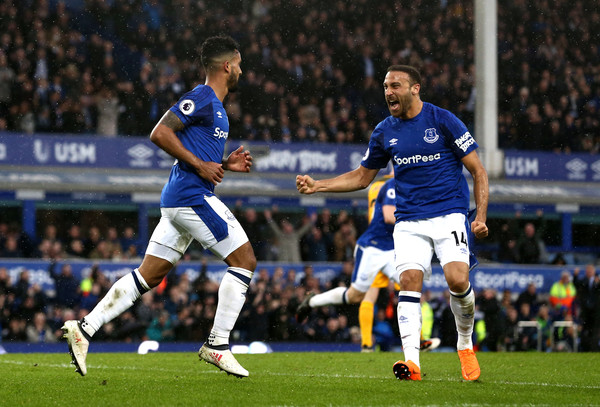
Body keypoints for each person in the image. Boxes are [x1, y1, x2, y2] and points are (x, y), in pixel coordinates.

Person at [62, 35, 256, 378]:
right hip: (191, 197)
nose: (242, 70)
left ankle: (84, 328)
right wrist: (201, 165)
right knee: (245, 261)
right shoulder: (202, 97)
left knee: (147, 275)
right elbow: (160, 133)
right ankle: (218, 344)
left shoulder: (216, 107)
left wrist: (224, 163)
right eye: (239, 64)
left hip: (181, 198)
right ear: (227, 66)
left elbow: (199, 155)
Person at [296, 65, 489, 381]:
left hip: (449, 213)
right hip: (409, 220)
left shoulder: (443, 120)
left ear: (415, 88)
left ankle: (465, 345)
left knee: (457, 280)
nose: (388, 92)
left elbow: (478, 171)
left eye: (395, 85)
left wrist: (479, 217)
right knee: (409, 281)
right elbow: (362, 177)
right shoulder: (385, 131)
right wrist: (319, 185)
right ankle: (412, 363)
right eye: (385, 86)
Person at [296, 175, 398, 352]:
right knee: (355, 296)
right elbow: (388, 215)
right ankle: (313, 301)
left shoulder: (406, 183)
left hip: (393, 248)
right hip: (374, 247)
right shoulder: (390, 185)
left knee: (411, 285)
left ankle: (416, 344)